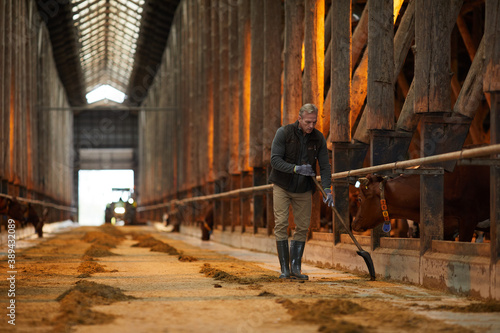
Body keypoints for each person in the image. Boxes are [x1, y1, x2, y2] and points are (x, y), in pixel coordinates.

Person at [269, 103, 334, 280]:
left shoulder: (318, 138)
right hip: (282, 185)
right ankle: (284, 269)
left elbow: (325, 166)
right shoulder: (284, 133)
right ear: (299, 119)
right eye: (307, 122)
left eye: (314, 122)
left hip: (304, 188)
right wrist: (296, 169)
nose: (311, 126)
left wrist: (327, 189)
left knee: (303, 226)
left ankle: (296, 268)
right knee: (281, 223)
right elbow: (275, 160)